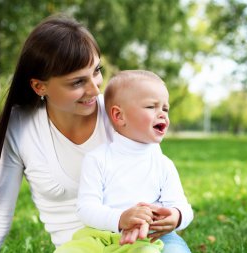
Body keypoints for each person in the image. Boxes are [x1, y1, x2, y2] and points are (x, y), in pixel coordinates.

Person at [0, 15, 191, 253]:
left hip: (145, 242)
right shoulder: (21, 126)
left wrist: (175, 216)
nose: (95, 89)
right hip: (82, 246)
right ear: (39, 86)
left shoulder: (123, 115)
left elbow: (161, 184)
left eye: (97, 71)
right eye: (77, 82)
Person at [55, 70, 193, 253]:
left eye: (165, 108)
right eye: (151, 107)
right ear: (119, 116)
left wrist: (177, 215)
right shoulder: (97, 159)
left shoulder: (163, 164)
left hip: (148, 237)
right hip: (100, 237)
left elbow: (183, 205)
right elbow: (86, 208)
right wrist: (120, 218)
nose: (162, 114)